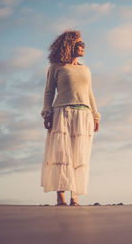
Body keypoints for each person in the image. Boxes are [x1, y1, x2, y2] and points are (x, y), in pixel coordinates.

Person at [40, 30, 100, 206]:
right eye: (79, 42)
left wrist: (95, 115)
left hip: (84, 115)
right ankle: (61, 196)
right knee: (62, 154)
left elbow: (90, 94)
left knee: (79, 155)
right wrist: (47, 112)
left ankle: (75, 197)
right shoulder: (56, 68)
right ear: (69, 45)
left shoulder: (86, 70)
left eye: (83, 43)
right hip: (62, 114)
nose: (83, 46)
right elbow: (49, 91)